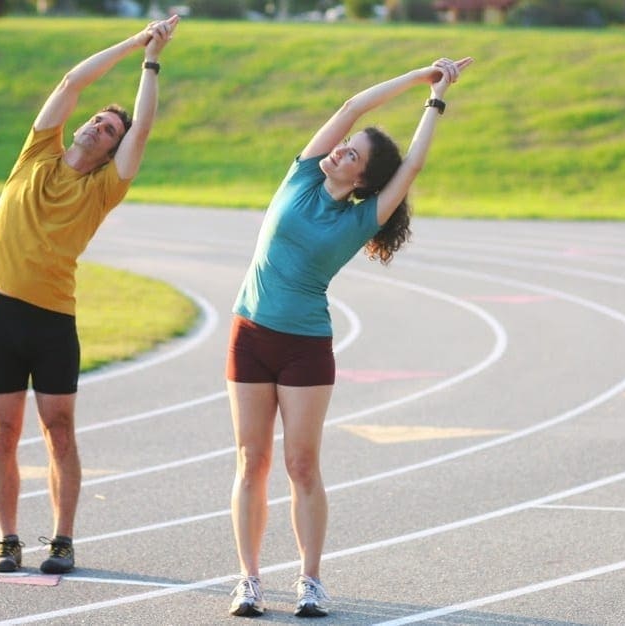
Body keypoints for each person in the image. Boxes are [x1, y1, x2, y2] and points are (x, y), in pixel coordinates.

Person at [225, 56, 474, 618]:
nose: (341, 150)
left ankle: (310, 581)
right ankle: (248, 579)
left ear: (361, 179)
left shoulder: (359, 219)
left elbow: (409, 167)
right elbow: (352, 107)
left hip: (304, 347)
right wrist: (420, 77)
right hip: (249, 333)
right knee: (250, 459)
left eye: (353, 155)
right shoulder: (304, 171)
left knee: (302, 464)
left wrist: (435, 105)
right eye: (345, 146)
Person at [0, 15, 180, 575]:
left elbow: (144, 129)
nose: (95, 127)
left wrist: (151, 63)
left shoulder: (102, 189)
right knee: (2, 430)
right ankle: (7, 539)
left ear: (113, 152)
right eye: (96, 120)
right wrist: (136, 40)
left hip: (53, 320)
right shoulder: (36, 153)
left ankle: (62, 540)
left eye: (109, 130)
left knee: (58, 430)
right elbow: (70, 84)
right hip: (2, 313)